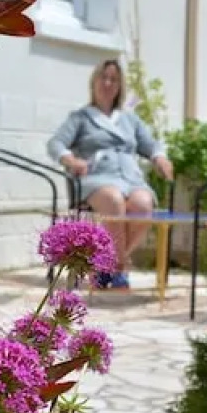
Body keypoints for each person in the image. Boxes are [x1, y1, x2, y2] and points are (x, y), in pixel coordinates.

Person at [47, 57, 172, 289]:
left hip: (130, 177)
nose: (107, 83)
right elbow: (56, 144)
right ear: (94, 82)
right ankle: (119, 267)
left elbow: (151, 144)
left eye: (113, 79)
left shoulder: (130, 119)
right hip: (96, 178)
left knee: (144, 204)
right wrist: (70, 159)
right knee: (114, 200)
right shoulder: (81, 118)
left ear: (119, 86)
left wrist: (160, 157)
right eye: (103, 78)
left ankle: (109, 264)